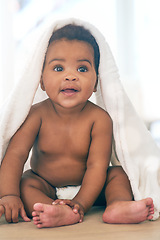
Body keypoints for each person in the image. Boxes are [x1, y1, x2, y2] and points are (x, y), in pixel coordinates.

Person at [0, 24, 154, 228]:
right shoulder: (36, 115)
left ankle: (116, 205)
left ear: (97, 82)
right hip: (47, 186)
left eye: (82, 68)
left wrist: (81, 203)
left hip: (91, 188)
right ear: (41, 81)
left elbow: (97, 166)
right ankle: (54, 210)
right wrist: (9, 194)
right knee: (26, 183)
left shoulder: (99, 119)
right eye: (58, 68)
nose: (70, 76)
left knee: (117, 174)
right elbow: (16, 155)